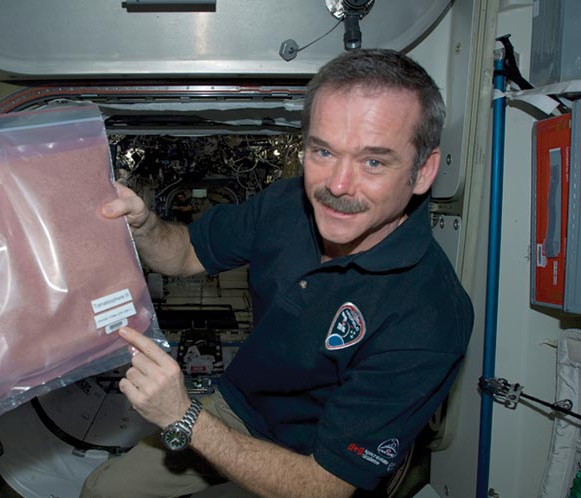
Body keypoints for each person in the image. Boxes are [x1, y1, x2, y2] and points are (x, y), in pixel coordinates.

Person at [80, 48, 474, 498]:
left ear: (423, 171)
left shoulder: (431, 314)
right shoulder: (287, 205)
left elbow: (325, 486)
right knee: (104, 492)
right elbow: (186, 253)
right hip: (241, 406)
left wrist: (183, 414)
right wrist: (145, 224)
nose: (337, 186)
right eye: (324, 151)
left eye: (373, 162)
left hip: (320, 458)